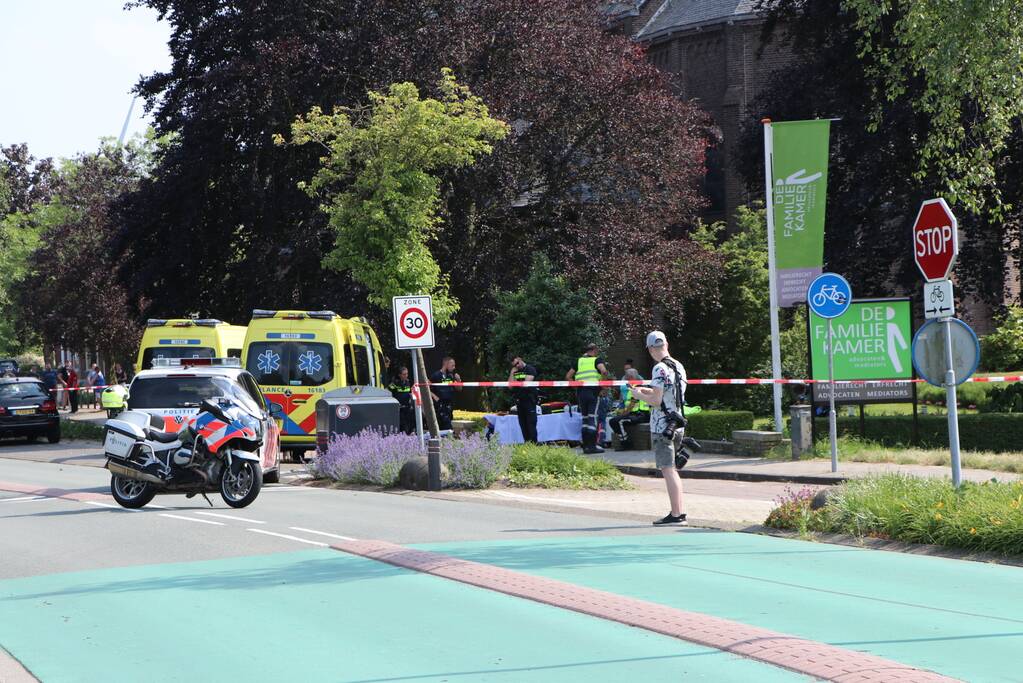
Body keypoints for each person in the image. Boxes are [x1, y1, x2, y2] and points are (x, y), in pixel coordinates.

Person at [629, 331, 688, 526]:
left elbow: (656, 400)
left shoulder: (659, 368)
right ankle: (679, 512)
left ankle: (677, 514)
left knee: (668, 469)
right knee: (673, 470)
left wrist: (638, 396)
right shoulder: (678, 366)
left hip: (662, 427)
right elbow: (669, 393)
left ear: (650, 349)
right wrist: (645, 389)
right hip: (677, 424)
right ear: (667, 344)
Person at [566, 342, 611, 454]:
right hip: (592, 392)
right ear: (594, 350)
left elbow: (568, 376)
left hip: (581, 393)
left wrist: (576, 387)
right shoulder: (596, 360)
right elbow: (604, 371)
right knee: (592, 418)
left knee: (585, 419)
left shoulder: (578, 361)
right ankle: (592, 446)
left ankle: (585, 446)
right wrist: (603, 386)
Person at [608, 368, 650, 450]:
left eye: (626, 377)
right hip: (634, 414)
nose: (625, 379)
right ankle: (624, 439)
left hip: (641, 415)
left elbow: (632, 404)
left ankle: (625, 443)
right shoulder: (632, 386)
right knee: (613, 421)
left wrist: (623, 414)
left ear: (630, 377)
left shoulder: (638, 387)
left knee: (618, 421)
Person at [509, 356, 538, 443]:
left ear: (520, 359)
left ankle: (534, 446)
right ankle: (527, 444)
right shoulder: (515, 371)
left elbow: (526, 383)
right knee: (523, 425)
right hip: (519, 401)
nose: (517, 366)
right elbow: (510, 386)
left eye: (517, 363)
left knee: (531, 424)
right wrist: (512, 373)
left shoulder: (530, 369)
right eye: (514, 365)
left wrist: (515, 382)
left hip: (529, 400)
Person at [430, 357, 460, 432]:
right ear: (446, 364)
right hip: (440, 405)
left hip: (449, 405)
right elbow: (426, 389)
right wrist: (434, 396)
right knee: (446, 425)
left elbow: (459, 389)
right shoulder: (436, 375)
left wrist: (458, 380)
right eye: (452, 365)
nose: (454, 367)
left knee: (448, 422)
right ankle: (448, 438)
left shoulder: (451, 376)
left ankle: (446, 439)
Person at [388, 366, 415, 434]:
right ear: (399, 375)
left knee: (410, 424)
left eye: (407, 374)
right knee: (402, 426)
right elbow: (387, 392)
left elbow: (410, 392)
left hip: (407, 407)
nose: (406, 376)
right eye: (404, 374)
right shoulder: (395, 383)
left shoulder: (408, 382)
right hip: (399, 408)